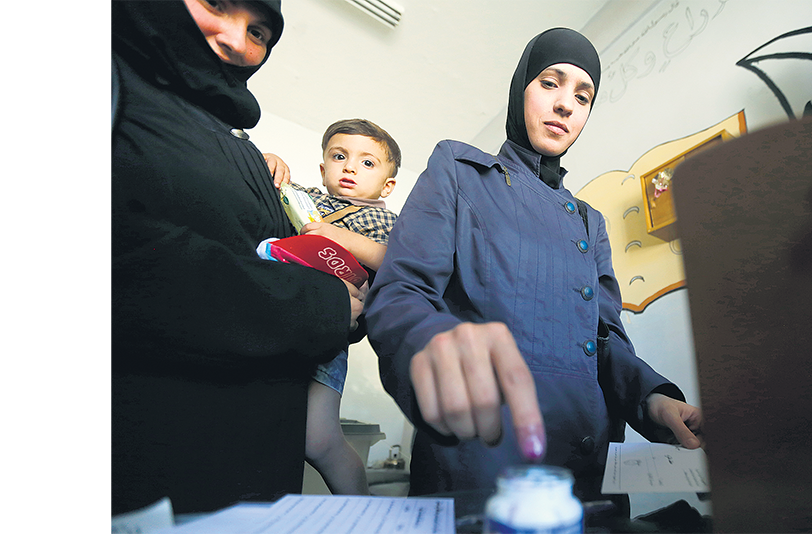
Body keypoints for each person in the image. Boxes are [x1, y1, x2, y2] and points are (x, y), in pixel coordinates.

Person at [364, 28, 704, 507]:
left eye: (582, 96)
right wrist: (439, 354)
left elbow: (606, 340)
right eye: (550, 83)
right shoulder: (460, 172)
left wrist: (654, 401)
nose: (566, 104)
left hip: (585, 473)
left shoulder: (590, 222)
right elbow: (400, 293)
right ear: (520, 86)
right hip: (480, 464)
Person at [112, 0, 365, 515]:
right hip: (150, 485)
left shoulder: (236, 139)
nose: (235, 40)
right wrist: (326, 305)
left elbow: (270, 254)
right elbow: (125, 258)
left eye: (259, 32)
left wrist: (347, 297)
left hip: (256, 488)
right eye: (216, 4)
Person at [264, 119, 402, 495]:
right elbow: (270, 189)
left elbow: (397, 261)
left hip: (331, 333)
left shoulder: (383, 219)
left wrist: (335, 235)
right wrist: (268, 162)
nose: (351, 167)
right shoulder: (306, 199)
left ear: (387, 185)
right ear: (324, 169)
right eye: (339, 157)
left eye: (368, 162)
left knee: (318, 440)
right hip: (282, 318)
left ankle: (362, 510)